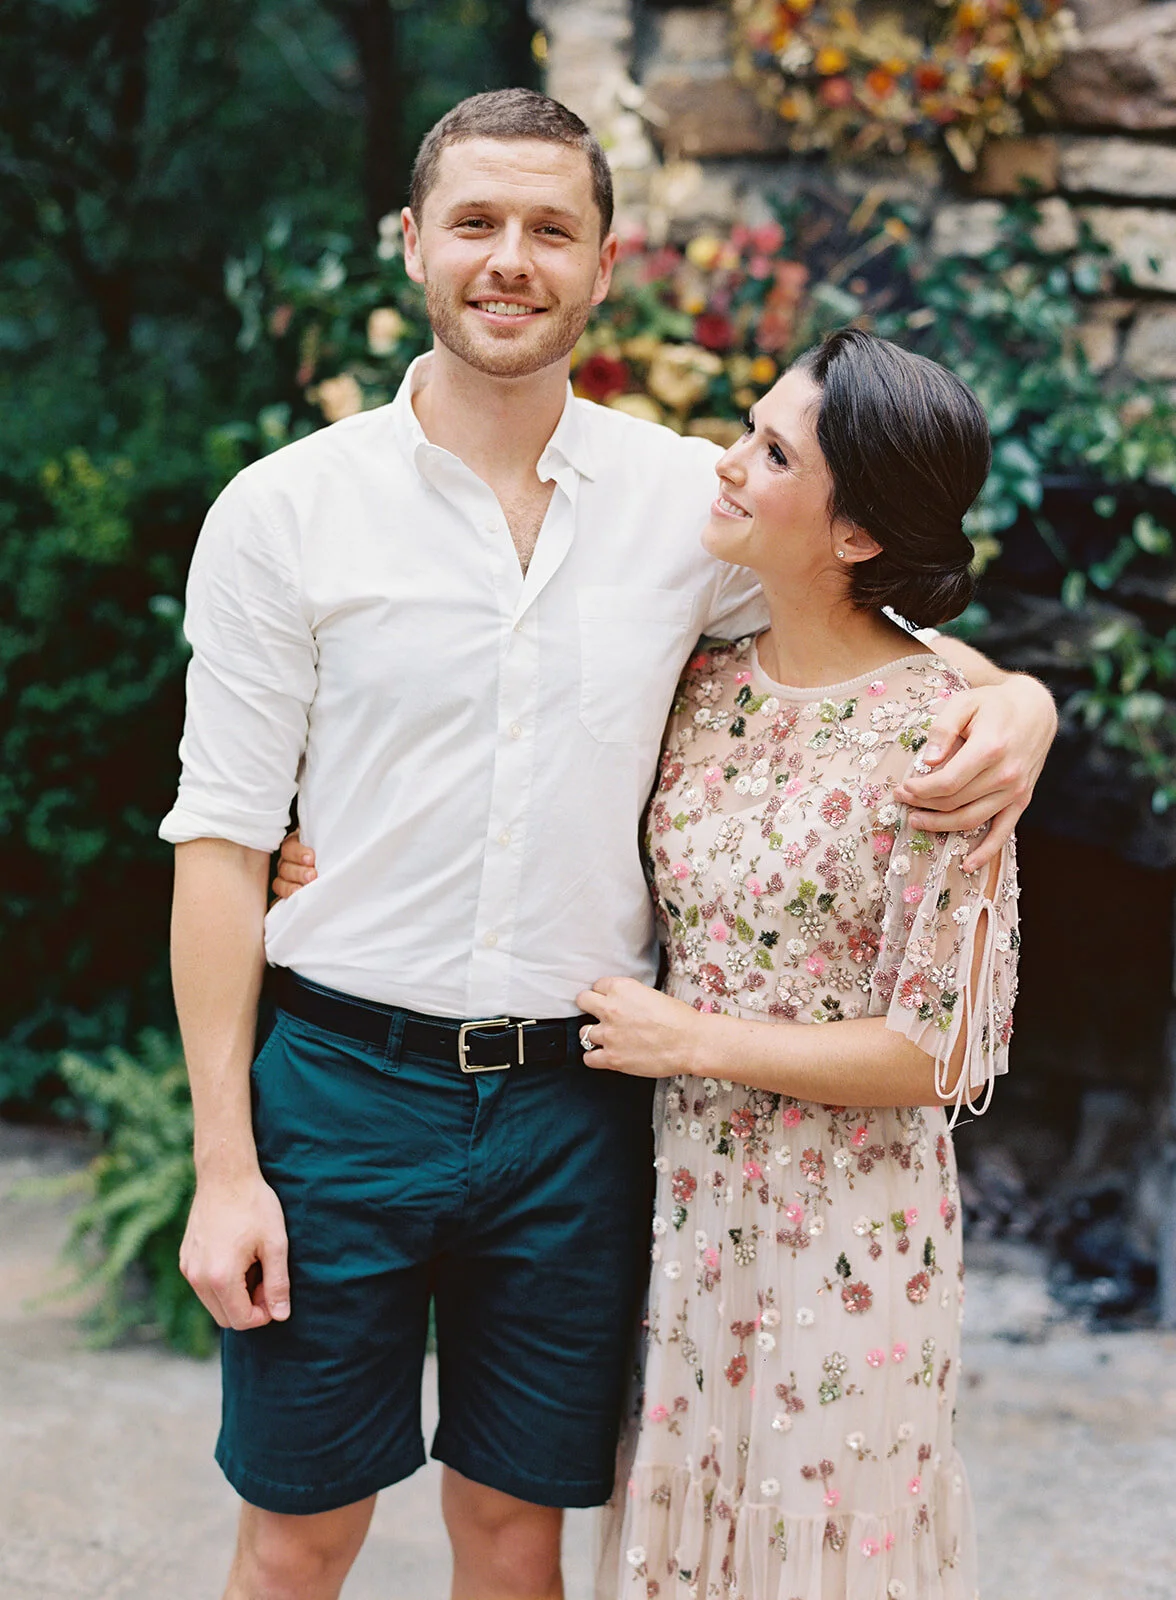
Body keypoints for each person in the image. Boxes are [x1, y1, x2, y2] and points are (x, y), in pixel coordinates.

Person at [163, 88, 1052, 1600]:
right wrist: (224, 1167)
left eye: (549, 228)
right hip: (340, 1094)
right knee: (296, 1538)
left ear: (603, 261)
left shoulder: (688, 504)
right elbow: (220, 845)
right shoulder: (284, 514)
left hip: (575, 1109)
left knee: (520, 1540)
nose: (510, 259)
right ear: (413, 243)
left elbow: (872, 638)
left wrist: (1022, 704)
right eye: (475, 222)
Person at [571, 329, 1016, 1599]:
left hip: (851, 1231)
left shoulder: (945, 738)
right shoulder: (702, 684)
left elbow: (940, 1049)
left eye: (773, 453)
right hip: (684, 1206)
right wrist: (313, 854)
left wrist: (688, 1039)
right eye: (748, 430)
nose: (726, 461)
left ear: (858, 532)